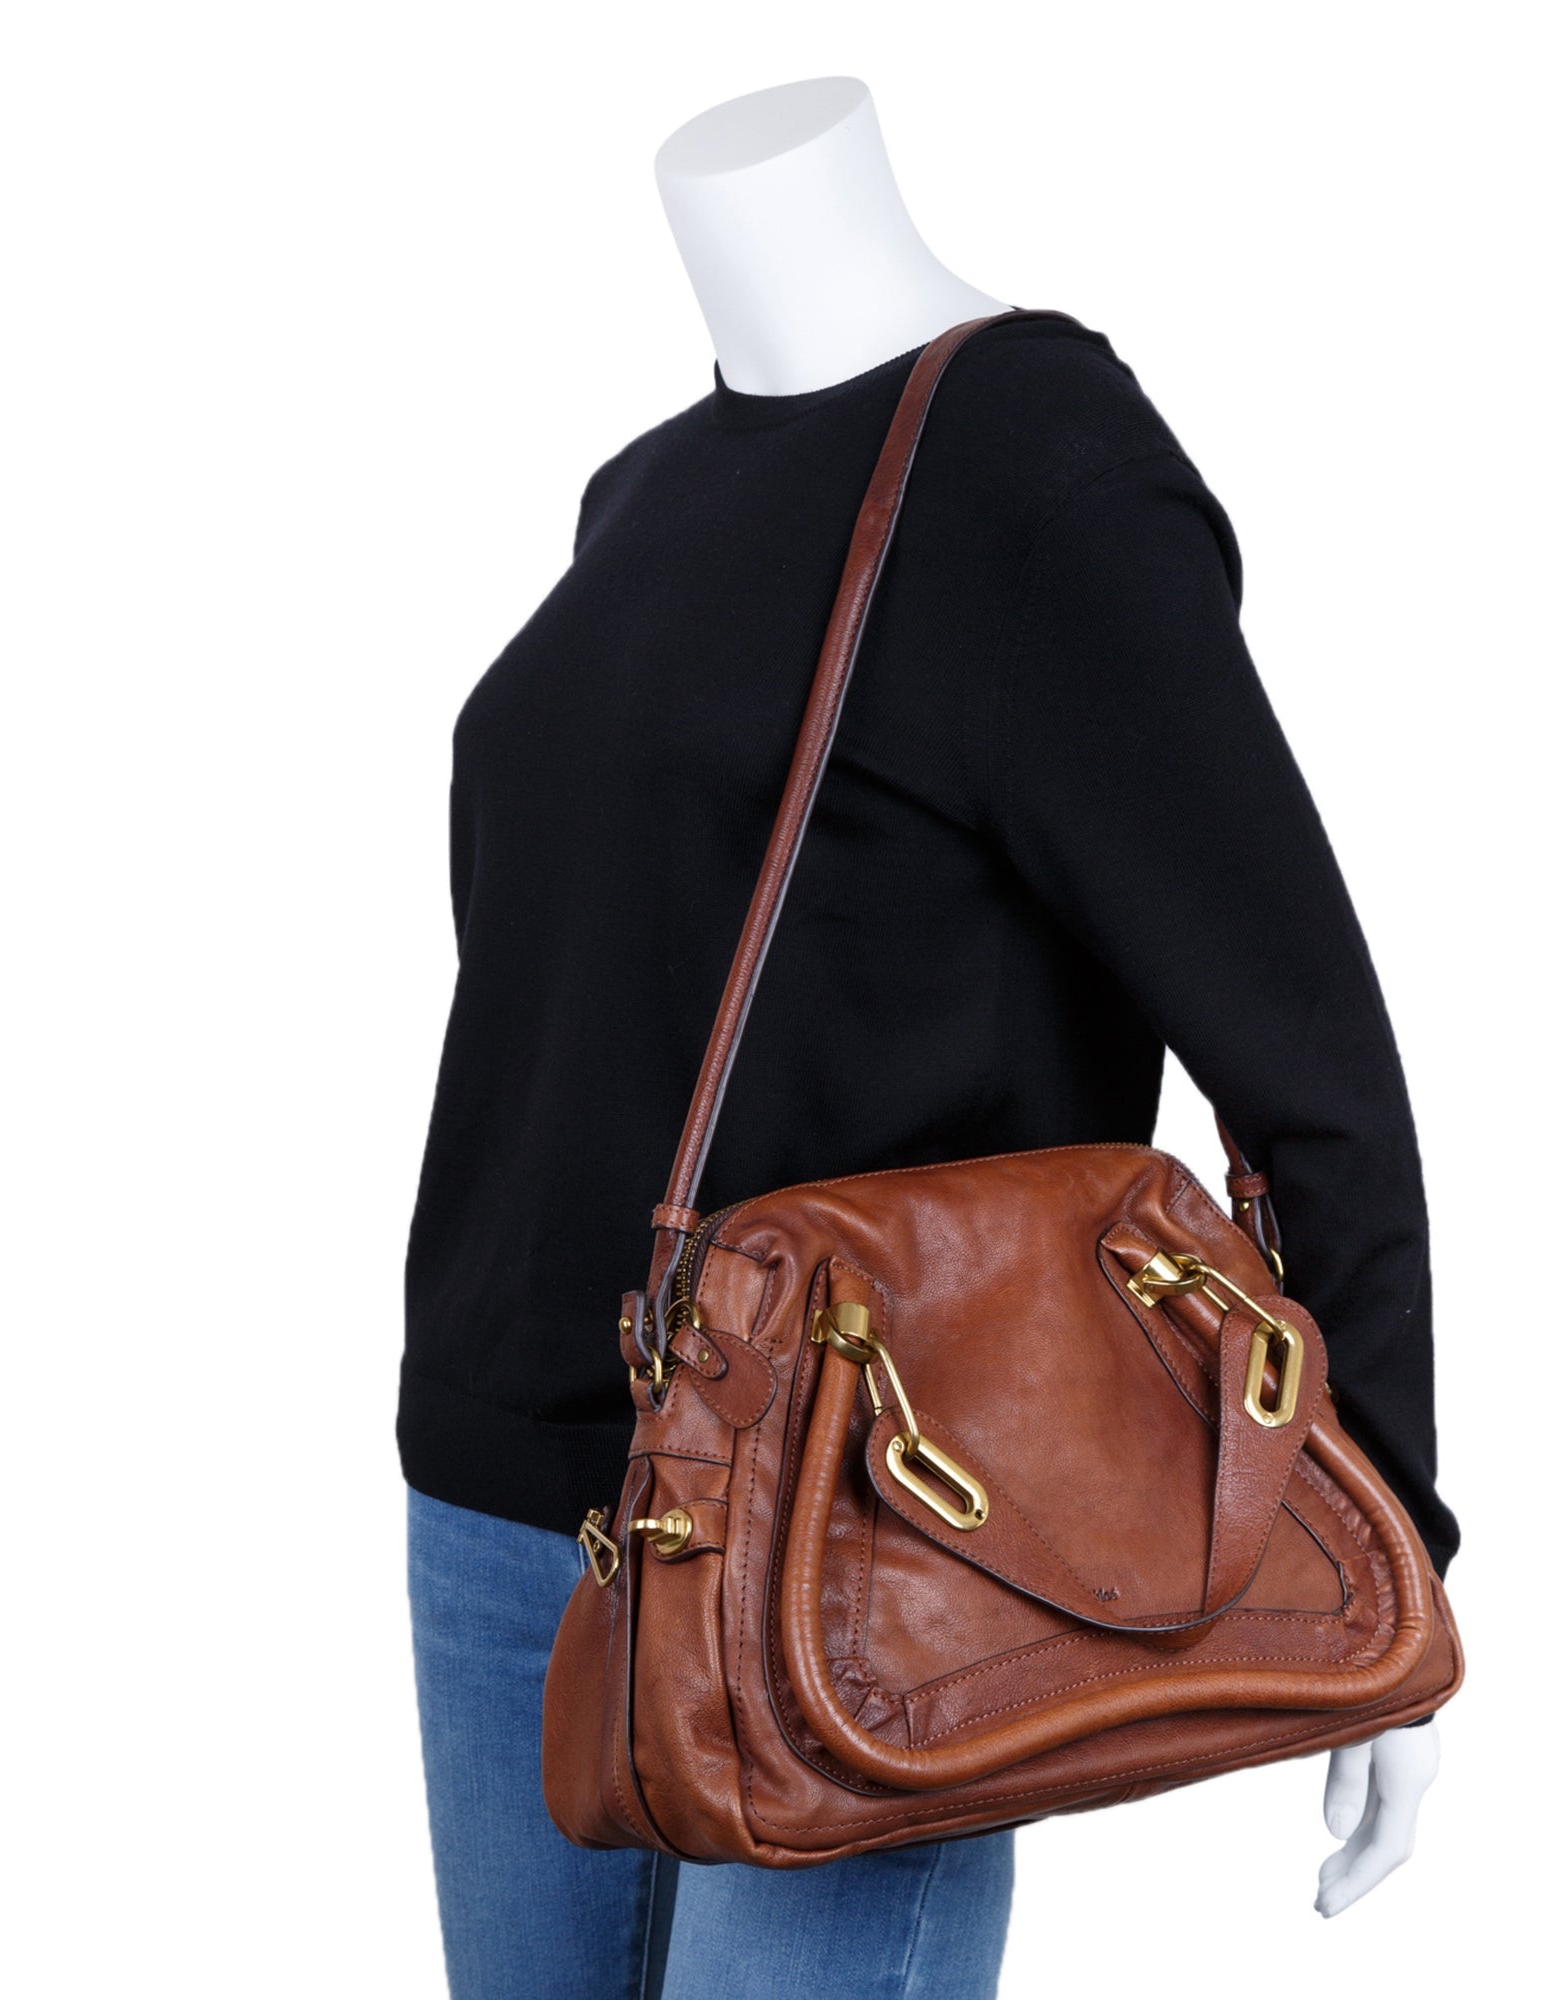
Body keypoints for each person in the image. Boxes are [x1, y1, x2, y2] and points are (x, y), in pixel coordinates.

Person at [401, 78, 1457, 1999]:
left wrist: (1384, 1543)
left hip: (852, 1514)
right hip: (501, 1496)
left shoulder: (1035, 472)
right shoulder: (638, 494)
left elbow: (1305, 1050)